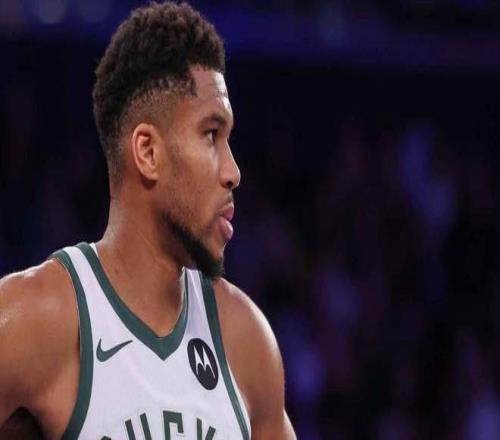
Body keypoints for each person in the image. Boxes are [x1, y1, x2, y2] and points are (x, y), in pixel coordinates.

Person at [0, 2, 296, 439]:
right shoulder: (34, 320)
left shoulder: (246, 341)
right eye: (211, 135)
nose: (233, 171)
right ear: (148, 152)